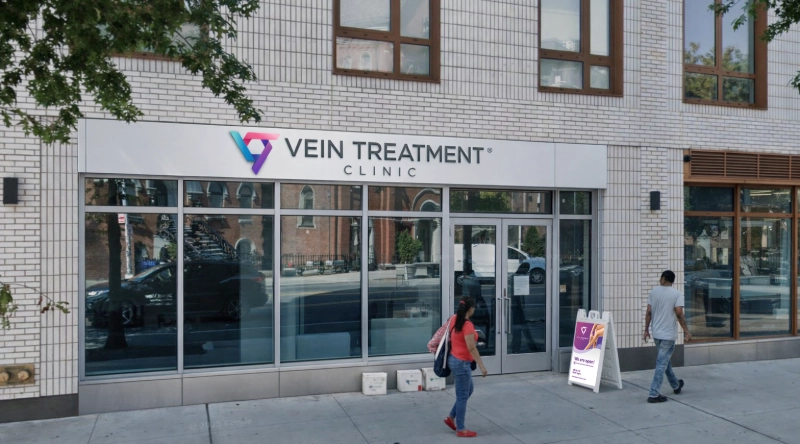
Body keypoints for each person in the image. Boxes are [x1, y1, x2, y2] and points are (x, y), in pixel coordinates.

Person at [643, 270, 692, 403]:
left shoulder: (653, 292)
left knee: (664, 361)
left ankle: (676, 385)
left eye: (661, 278)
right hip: (668, 335)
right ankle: (653, 394)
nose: (660, 279)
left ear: (664, 278)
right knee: (661, 363)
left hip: (657, 334)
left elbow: (648, 312)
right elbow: (679, 314)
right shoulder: (677, 294)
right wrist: (686, 331)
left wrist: (646, 329)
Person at [444, 297, 488, 438]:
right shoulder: (467, 325)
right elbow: (471, 347)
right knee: (462, 396)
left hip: (454, 359)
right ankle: (461, 429)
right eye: (473, 307)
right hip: (462, 363)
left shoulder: (454, 319)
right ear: (470, 309)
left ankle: (451, 417)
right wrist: (482, 366)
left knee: (469, 390)